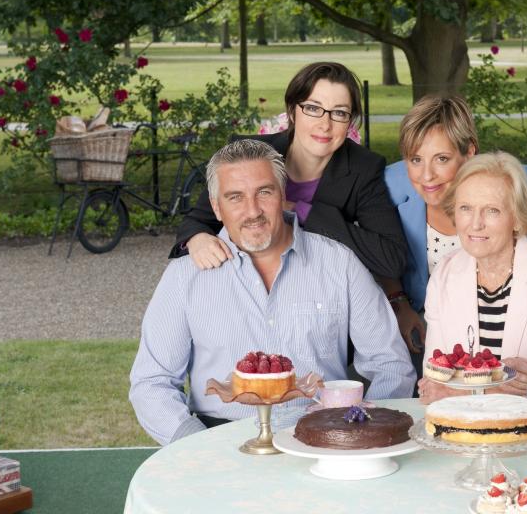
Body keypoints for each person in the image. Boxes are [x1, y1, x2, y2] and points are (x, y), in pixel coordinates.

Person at [131, 140, 416, 445]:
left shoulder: (339, 263)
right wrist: (197, 447)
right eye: (235, 197)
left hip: (324, 442)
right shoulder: (184, 275)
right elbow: (152, 382)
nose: (252, 211)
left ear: (283, 195)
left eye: (264, 192)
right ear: (216, 207)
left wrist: (359, 434)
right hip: (216, 441)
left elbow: (391, 365)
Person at [383, 96, 527, 371]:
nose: (427, 175)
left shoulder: (514, 182)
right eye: (416, 159)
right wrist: (399, 303)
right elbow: (378, 248)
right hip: (424, 315)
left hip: (504, 315)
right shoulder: (390, 186)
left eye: (442, 159)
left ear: (469, 152)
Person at [171, 61, 408, 280]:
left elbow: (392, 259)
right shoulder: (248, 154)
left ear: (350, 121)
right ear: (292, 111)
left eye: (339, 113)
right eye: (313, 108)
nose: (325, 125)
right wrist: (196, 238)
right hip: (244, 281)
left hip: (318, 286)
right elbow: (198, 220)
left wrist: (299, 210)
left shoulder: (363, 168)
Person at [418, 152, 527, 403]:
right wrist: (508, 386)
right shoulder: (443, 274)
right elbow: (434, 379)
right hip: (460, 422)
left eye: (492, 210)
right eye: (465, 208)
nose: (475, 224)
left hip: (525, 422)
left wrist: (462, 390)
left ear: (516, 218)